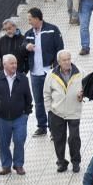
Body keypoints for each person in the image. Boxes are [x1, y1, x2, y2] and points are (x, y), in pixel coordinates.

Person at [23, 7, 64, 137]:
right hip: (35, 73)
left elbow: (60, 49)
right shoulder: (29, 33)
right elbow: (22, 46)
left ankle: (54, 129)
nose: (28, 21)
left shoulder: (52, 29)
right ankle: (42, 126)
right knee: (38, 101)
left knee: (52, 101)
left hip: (49, 72)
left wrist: (57, 68)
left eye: (30, 19)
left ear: (36, 18)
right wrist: (26, 46)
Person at [43, 49, 84, 173]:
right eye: (64, 60)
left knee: (74, 138)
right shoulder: (51, 75)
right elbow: (46, 94)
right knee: (58, 139)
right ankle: (61, 162)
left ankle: (76, 162)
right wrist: (49, 111)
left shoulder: (80, 72)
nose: (67, 62)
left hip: (74, 111)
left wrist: (83, 95)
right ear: (58, 62)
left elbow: (86, 88)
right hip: (57, 112)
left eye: (69, 59)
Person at [0, 54, 33, 175]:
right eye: (11, 63)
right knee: (3, 142)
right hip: (1, 118)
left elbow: (28, 97)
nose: (14, 65)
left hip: (19, 117)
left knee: (19, 140)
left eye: (15, 63)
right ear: (4, 64)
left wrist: (26, 114)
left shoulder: (23, 79)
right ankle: (6, 165)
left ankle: (18, 165)